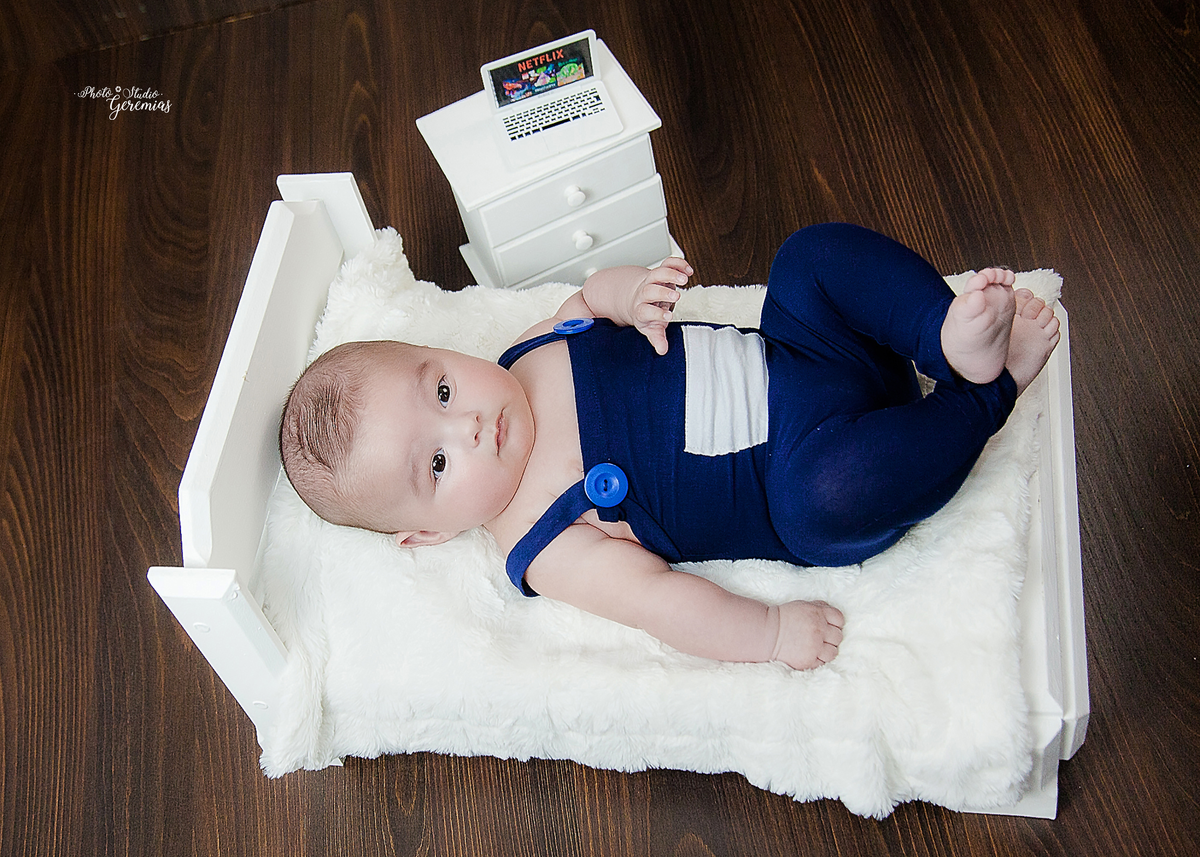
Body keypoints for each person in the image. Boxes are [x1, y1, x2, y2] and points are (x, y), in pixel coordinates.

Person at [279, 223, 1060, 671]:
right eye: (438, 463)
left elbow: (590, 297)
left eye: (444, 391)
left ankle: (942, 335)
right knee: (823, 498)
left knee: (807, 260)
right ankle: (983, 394)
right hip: (807, 464)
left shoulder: (527, 350)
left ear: (442, 353)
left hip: (810, 353)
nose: (470, 426)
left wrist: (630, 292)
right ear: (429, 531)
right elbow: (659, 601)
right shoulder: (542, 540)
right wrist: (769, 633)